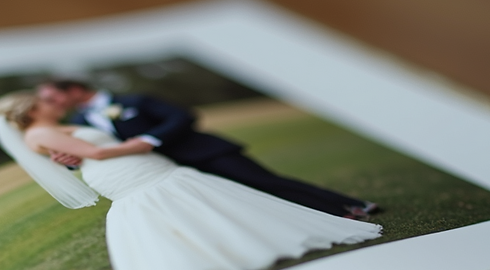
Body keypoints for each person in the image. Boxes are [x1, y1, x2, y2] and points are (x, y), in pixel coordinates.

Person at [0, 92, 382, 270]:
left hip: (145, 166)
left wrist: (95, 152)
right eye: (42, 100)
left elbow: (79, 150)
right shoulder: (38, 134)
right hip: (126, 171)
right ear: (31, 109)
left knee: (210, 199)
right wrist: (140, 145)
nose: (51, 102)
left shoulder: (62, 126)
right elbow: (94, 154)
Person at [37, 80, 380, 219]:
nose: (50, 104)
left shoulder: (134, 100)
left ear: (76, 89)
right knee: (242, 200)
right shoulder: (79, 121)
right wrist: (67, 161)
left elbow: (184, 116)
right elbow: (87, 149)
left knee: (268, 183)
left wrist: (151, 140)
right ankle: (319, 218)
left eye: (53, 97)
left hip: (205, 151)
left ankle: (349, 205)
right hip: (168, 171)